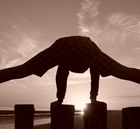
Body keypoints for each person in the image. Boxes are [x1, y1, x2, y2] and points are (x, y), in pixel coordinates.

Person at [0, 36, 139, 104]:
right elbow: (63, 74)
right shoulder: (88, 55)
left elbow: (62, 74)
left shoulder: (70, 58)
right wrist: (93, 98)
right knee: (121, 71)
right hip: (79, 45)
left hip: (65, 44)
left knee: (24, 69)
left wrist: (60, 99)